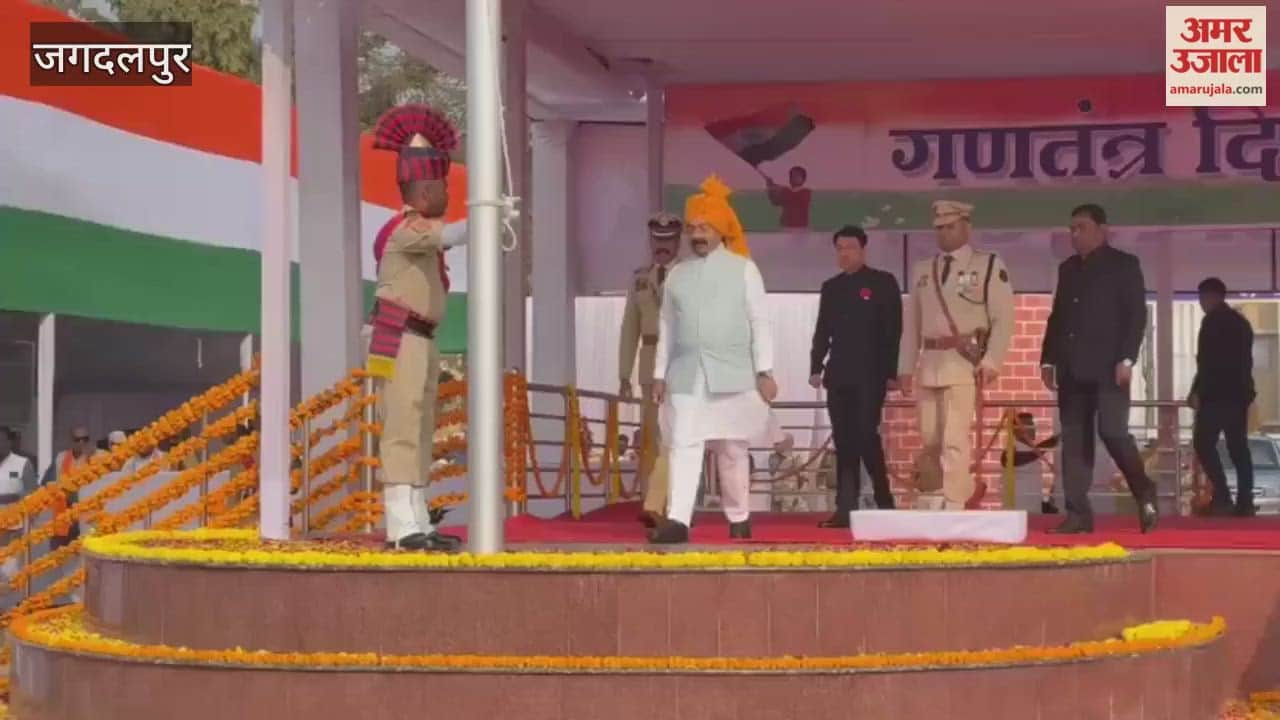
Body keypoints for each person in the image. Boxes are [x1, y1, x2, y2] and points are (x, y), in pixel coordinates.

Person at [649, 175, 776, 544]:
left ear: (721, 230)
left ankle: (738, 516)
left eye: (704, 227)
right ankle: (678, 519)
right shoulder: (677, 274)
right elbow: (666, 326)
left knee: (732, 449)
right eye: (693, 228)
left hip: (733, 373)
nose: (697, 235)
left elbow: (760, 321)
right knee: (683, 443)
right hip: (686, 375)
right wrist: (659, 373)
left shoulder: (744, 269)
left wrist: (764, 370)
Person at [367, 103, 469, 551]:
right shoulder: (405, 229)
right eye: (442, 187)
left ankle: (418, 520)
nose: (447, 194)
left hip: (421, 337)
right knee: (403, 424)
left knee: (421, 425)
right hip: (399, 334)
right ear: (424, 190)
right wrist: (486, 214)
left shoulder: (417, 231)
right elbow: (449, 235)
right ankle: (399, 524)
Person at [1040, 203, 1158, 534]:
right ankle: (1078, 513)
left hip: (1110, 368)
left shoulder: (1124, 265)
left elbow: (1136, 315)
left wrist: (1127, 359)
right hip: (1071, 368)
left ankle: (1144, 490)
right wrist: (1047, 359)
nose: (1075, 234)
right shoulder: (1067, 269)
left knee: (1113, 431)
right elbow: (1057, 317)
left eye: (1081, 227)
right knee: (1074, 441)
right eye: (1072, 228)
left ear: (1102, 230)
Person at [898, 201, 1015, 510]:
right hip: (929, 363)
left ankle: (955, 501)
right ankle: (946, 493)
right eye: (939, 228)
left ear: (966, 227)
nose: (944, 233)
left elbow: (1003, 317)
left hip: (962, 363)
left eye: (950, 227)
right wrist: (905, 367)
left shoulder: (987, 265)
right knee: (930, 439)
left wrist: (992, 360)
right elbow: (912, 324)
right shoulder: (923, 270)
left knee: (954, 439)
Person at [809, 225, 902, 527]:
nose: (844, 253)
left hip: (871, 374)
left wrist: (891, 372)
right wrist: (815, 366)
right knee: (843, 439)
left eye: (850, 248)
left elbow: (893, 331)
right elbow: (823, 329)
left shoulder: (883, 283)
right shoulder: (831, 287)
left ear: (863, 249)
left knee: (865, 434)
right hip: (839, 374)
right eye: (840, 248)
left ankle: (884, 500)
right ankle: (845, 507)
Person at [619, 212, 683, 527]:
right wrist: (623, 374)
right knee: (650, 437)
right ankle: (651, 501)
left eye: (668, 241)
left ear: (678, 242)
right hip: (648, 365)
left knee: (677, 437)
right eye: (657, 240)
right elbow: (629, 327)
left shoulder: (689, 276)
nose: (662, 247)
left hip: (680, 367)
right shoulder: (640, 279)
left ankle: (675, 504)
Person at [1189, 277, 1257, 517]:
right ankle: (1245, 501)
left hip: (1216, 394)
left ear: (1211, 296)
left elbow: (1206, 362)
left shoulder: (1211, 322)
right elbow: (1246, 362)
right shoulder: (1242, 323)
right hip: (1238, 394)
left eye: (1201, 298)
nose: (1201, 303)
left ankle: (1223, 496)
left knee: (1203, 443)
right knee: (1238, 448)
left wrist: (1196, 391)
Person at [41, 425, 101, 550]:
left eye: (85, 439)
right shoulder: (61, 458)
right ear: (71, 441)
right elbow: (47, 482)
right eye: (77, 439)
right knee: (60, 554)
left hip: (88, 515)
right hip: (65, 515)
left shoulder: (100, 455)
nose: (81, 443)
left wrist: (91, 458)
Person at [766, 166, 812, 230]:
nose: (794, 178)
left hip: (801, 227)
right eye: (792, 176)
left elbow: (794, 198)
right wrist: (770, 189)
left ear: (803, 179)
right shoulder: (785, 191)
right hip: (786, 226)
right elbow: (775, 202)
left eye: (797, 176)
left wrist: (780, 188)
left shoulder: (806, 192)